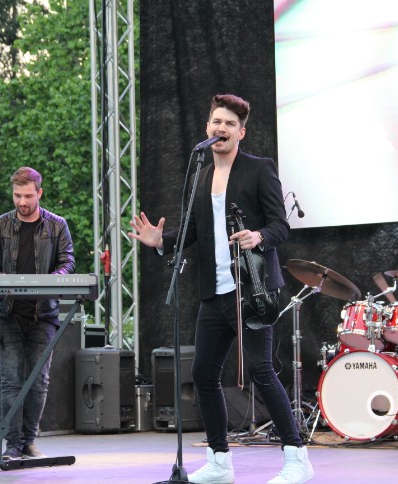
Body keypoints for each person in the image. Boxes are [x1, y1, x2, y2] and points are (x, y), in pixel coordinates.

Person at [129, 94, 313, 484]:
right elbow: (193, 232)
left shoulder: (259, 169)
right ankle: (218, 461)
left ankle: (297, 457)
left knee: (261, 370)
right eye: (216, 121)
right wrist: (160, 241)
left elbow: (280, 226)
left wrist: (259, 236)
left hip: (252, 290)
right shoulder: (200, 175)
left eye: (230, 123)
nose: (221, 128)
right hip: (214, 292)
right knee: (203, 374)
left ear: (241, 132)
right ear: (207, 129)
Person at [0, 166, 75, 460]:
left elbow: (67, 261)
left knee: (39, 381)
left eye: (27, 196)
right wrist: (0, 280)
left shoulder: (57, 225)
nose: (22, 202)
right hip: (7, 314)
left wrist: (55, 278)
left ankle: (29, 440)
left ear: (39, 193)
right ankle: (12, 443)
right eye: (17, 195)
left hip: (43, 315)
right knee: (10, 381)